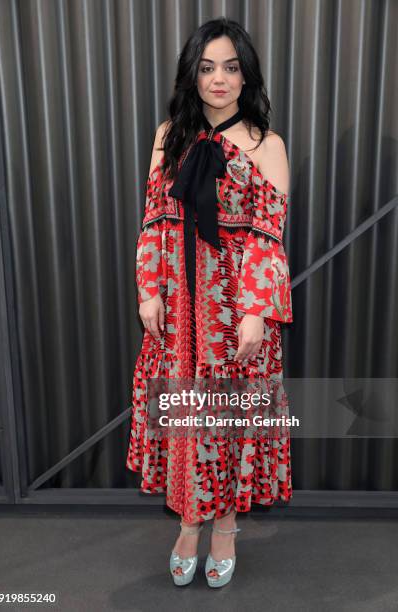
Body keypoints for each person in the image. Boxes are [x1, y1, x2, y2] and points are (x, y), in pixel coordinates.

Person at [126, 17, 293, 588]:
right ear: (191, 75)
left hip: (233, 309)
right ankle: (188, 524)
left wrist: (254, 312)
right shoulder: (168, 135)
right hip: (177, 308)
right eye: (206, 67)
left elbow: (270, 238)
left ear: (246, 75)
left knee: (228, 419)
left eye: (230, 66)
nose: (219, 79)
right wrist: (148, 287)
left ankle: (224, 526)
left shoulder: (265, 145)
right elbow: (154, 219)